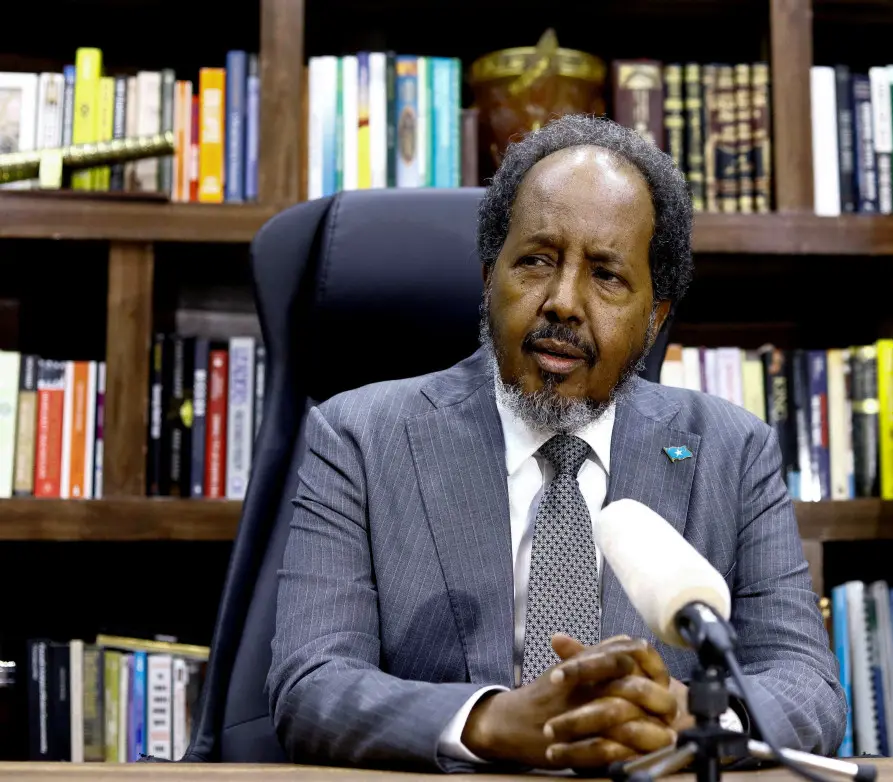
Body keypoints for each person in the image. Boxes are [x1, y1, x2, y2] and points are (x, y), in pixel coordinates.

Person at [266, 114, 847, 772]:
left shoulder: (731, 452)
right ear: (490, 280)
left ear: (654, 319)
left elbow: (810, 688)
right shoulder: (358, 438)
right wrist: (487, 720)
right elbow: (310, 684)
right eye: (536, 261)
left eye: (606, 275)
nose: (563, 302)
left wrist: (691, 718)